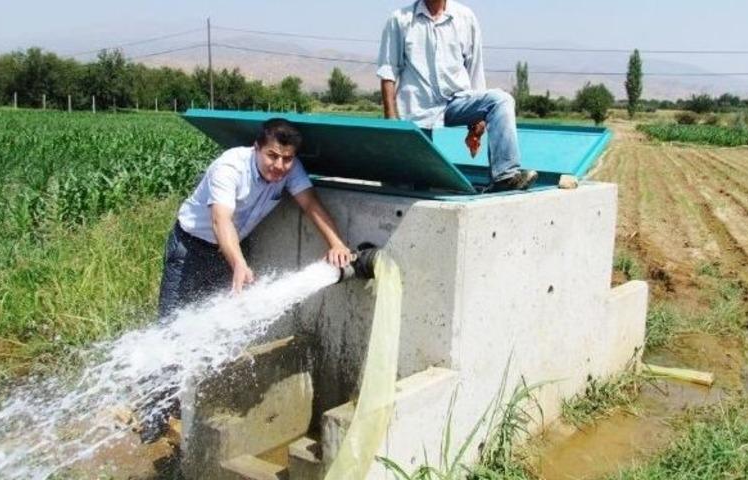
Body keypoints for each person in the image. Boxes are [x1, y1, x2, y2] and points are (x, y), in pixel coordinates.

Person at [157, 118, 352, 318]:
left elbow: (310, 203)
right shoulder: (229, 167)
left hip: (232, 250)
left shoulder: (290, 168)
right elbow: (221, 220)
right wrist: (239, 264)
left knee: (223, 322)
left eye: (287, 158)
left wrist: (336, 244)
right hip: (190, 248)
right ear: (257, 147)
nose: (279, 165)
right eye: (272, 155)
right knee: (171, 322)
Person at [377, 0, 538, 192]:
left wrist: (477, 122)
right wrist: (391, 124)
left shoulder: (465, 18)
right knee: (411, 186)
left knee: (501, 100)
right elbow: (388, 72)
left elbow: (474, 69)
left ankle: (505, 176)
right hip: (417, 109)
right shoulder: (400, 20)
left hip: (455, 103)